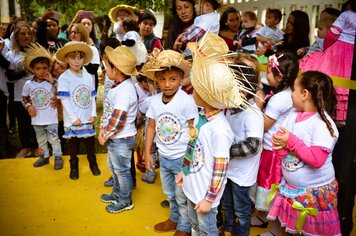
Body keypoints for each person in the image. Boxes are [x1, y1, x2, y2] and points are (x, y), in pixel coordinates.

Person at [176, 32, 245, 235]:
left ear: (206, 96)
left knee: (207, 230)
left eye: (196, 88)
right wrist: (184, 171)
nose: (192, 91)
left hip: (205, 195)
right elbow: (192, 145)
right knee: (195, 227)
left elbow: (221, 168)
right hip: (192, 187)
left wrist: (209, 199)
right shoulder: (200, 116)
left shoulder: (220, 129)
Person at [269, 71, 340, 235]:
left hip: (313, 193)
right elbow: (282, 139)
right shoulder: (293, 115)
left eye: (294, 90)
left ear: (305, 94)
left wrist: (290, 141)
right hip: (293, 188)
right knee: (292, 227)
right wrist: (280, 147)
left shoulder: (322, 125)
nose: (291, 94)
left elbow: (316, 160)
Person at [142, 49, 197, 235]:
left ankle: (184, 226)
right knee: (170, 193)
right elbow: (151, 127)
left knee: (182, 195)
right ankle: (174, 219)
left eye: (172, 79)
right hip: (164, 157)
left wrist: (189, 161)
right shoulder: (154, 101)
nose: (167, 84)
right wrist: (147, 152)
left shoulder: (186, 101)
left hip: (181, 158)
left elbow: (193, 132)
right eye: (163, 79)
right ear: (156, 79)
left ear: (181, 78)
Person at [252, 52, 299, 236]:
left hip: (272, 150)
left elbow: (263, 126)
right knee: (266, 187)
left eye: (269, 72)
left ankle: (275, 229)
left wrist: (257, 105)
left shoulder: (280, 99)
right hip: (274, 148)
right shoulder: (286, 93)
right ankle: (264, 217)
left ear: (279, 76)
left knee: (269, 188)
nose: (266, 75)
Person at [223, 65, 263, 236]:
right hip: (229, 171)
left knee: (241, 211)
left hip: (242, 175)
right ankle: (228, 230)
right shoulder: (232, 109)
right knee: (227, 206)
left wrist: (226, 150)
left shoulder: (252, 114)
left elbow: (253, 145)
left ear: (244, 91)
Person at [98, 45, 138, 213]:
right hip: (118, 139)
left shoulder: (124, 90)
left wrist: (104, 134)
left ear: (116, 69)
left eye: (107, 67)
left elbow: (118, 119)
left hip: (121, 139)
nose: (105, 70)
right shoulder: (121, 86)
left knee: (122, 171)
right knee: (115, 168)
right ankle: (117, 192)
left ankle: (125, 199)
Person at [299, 5, 355, 124]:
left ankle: (329, 111)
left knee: (333, 79)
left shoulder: (346, 14)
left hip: (339, 51)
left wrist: (328, 49)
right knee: (347, 85)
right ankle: (343, 116)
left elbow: (332, 34)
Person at [56, 41, 100, 180]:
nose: (76, 61)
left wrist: (93, 113)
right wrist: (73, 117)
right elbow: (65, 100)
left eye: (80, 57)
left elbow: (92, 96)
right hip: (73, 119)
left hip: (87, 117)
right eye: (72, 57)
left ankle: (93, 163)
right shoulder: (64, 78)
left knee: (89, 143)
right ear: (67, 59)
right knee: (73, 145)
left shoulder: (87, 76)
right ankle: (73, 166)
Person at [22, 43, 63, 169]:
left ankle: (57, 157)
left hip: (51, 119)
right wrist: (29, 107)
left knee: (54, 139)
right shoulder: (29, 84)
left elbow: (61, 92)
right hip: (37, 120)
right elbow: (23, 98)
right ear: (33, 69)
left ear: (49, 68)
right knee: (41, 140)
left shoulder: (52, 82)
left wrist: (52, 82)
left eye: (45, 68)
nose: (42, 71)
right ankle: (44, 157)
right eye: (38, 68)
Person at [4, 23, 38, 157]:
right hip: (20, 96)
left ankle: (37, 146)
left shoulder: (36, 51)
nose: (26, 36)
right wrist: (25, 70)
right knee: (23, 124)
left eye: (29, 33)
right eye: (23, 34)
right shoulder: (12, 54)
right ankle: (26, 147)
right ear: (16, 37)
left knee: (36, 122)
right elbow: (10, 76)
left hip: (37, 95)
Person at [67, 23, 100, 91]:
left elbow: (94, 69)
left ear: (82, 34)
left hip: (87, 86)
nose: (73, 34)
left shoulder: (92, 49)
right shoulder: (66, 50)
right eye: (71, 32)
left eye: (76, 32)